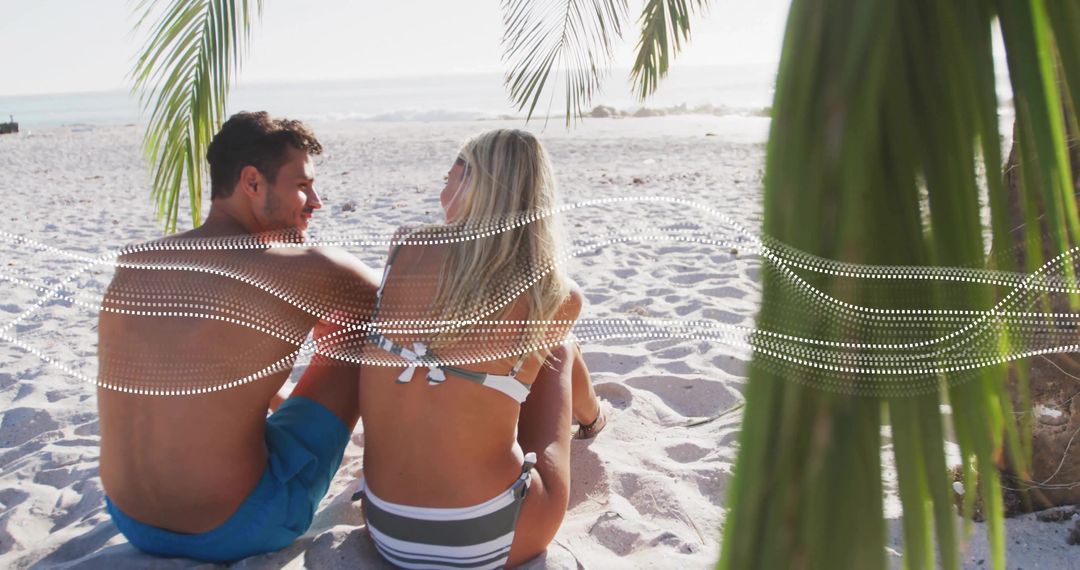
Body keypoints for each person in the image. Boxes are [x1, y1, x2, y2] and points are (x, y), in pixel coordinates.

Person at [97, 111, 379, 562]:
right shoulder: (303, 267)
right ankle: (395, 475)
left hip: (130, 518)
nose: (316, 202)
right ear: (252, 182)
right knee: (362, 326)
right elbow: (408, 302)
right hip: (238, 526)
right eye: (302, 185)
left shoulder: (136, 265)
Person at [349, 128, 606, 568]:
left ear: (473, 183)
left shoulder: (406, 247)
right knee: (559, 349)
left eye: (449, 177)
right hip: (487, 540)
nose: (442, 190)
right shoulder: (554, 292)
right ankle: (595, 419)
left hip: (385, 526)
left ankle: (593, 416)